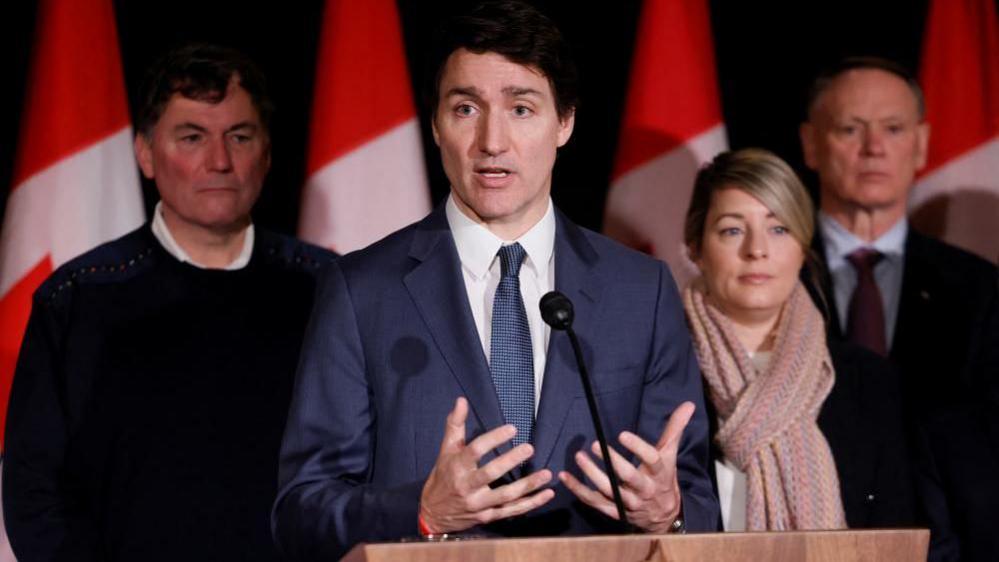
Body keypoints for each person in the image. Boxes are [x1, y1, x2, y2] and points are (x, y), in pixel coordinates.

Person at [272, 2, 718, 559]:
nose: (492, 142)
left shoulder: (641, 292)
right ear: (435, 124)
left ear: (565, 122)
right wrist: (422, 511)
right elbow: (300, 512)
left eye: (522, 109)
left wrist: (669, 513)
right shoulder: (361, 292)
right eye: (465, 108)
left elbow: (699, 504)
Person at [1, 44, 335, 561]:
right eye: (192, 137)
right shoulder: (79, 298)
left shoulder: (329, 289)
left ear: (266, 153)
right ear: (145, 153)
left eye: (239, 137)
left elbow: (365, 470)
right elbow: (34, 490)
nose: (219, 161)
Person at [681, 148, 914, 531]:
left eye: (778, 229)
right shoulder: (658, 375)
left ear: (802, 249)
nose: (756, 250)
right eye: (732, 230)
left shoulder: (869, 381)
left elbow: (899, 532)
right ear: (696, 249)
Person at [799, 57, 999, 414]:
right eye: (850, 129)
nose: (874, 148)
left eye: (893, 129)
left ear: (920, 143)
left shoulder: (981, 289)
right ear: (811, 143)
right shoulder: (768, 276)